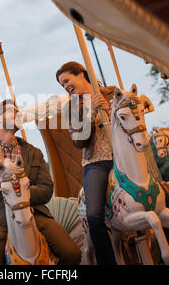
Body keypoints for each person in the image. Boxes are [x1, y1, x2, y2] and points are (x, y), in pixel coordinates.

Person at [0, 99, 81, 265]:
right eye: (11, 111)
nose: (17, 114)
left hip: (34, 213)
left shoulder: (33, 152)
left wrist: (21, 192)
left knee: (72, 254)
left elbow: (47, 189)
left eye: (17, 111)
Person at [56, 61, 117, 265]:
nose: (65, 86)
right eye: (62, 85)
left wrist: (110, 109)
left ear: (81, 74)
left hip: (121, 155)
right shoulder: (72, 107)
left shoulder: (110, 92)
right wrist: (91, 113)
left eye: (66, 80)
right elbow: (78, 141)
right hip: (97, 161)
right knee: (93, 216)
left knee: (165, 200)